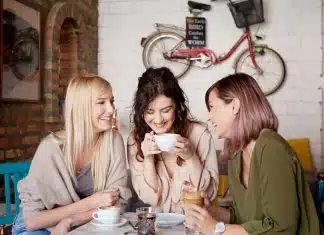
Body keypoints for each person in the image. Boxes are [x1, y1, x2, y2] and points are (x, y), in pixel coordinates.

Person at [184, 73, 321, 235]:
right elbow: (242, 217)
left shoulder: (271, 149)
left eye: (212, 107)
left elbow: (283, 228)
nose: (209, 117)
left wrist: (216, 229)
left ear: (234, 105)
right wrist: (211, 213)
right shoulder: (236, 154)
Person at [12, 74, 132, 235]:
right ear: (81, 107)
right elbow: (32, 221)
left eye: (111, 101)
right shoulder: (51, 148)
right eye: (101, 102)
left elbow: (117, 203)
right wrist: (91, 202)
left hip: (83, 224)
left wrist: (71, 220)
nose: (111, 109)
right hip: (40, 227)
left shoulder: (113, 140)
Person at [127, 67, 219, 213]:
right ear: (141, 110)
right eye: (150, 112)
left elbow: (210, 193)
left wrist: (190, 156)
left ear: (176, 106)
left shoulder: (200, 135)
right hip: (158, 227)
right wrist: (148, 159)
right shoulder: (136, 140)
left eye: (166, 110)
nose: (158, 120)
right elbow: (149, 199)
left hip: (194, 225)